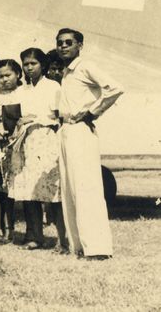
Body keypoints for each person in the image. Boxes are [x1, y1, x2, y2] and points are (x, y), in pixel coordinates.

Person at [56, 28, 123, 260]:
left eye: (68, 42)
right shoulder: (66, 72)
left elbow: (115, 88)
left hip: (81, 131)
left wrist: (92, 112)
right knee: (70, 188)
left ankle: (98, 248)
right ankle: (79, 246)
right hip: (65, 130)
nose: (63, 46)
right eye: (60, 43)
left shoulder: (86, 66)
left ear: (79, 45)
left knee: (86, 188)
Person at [10, 47, 67, 252]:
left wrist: (36, 119)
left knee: (52, 190)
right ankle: (33, 236)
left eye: (33, 63)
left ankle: (64, 239)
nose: (29, 67)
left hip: (46, 139)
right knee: (27, 190)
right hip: (26, 142)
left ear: (42, 65)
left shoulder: (53, 87)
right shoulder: (21, 90)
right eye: (25, 64)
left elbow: (60, 117)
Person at [0, 59, 23, 244]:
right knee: (1, 189)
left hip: (20, 145)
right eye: (0, 76)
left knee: (16, 189)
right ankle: (5, 229)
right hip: (0, 145)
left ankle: (23, 230)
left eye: (7, 75)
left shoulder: (24, 93)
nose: (3, 80)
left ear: (18, 74)